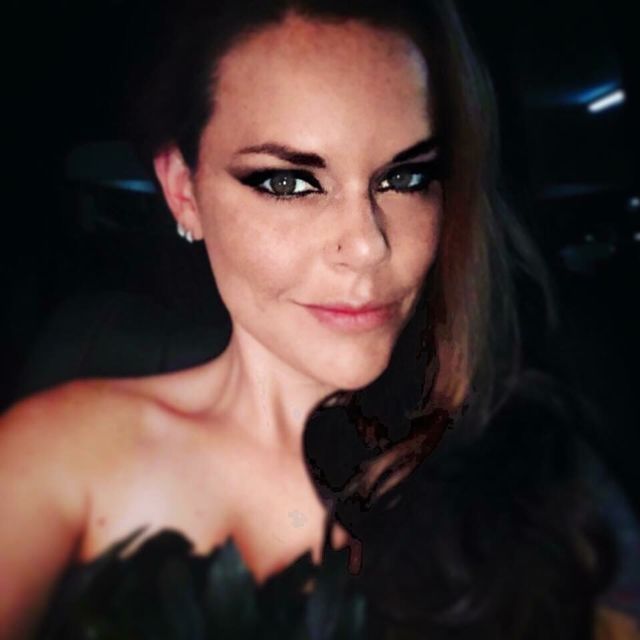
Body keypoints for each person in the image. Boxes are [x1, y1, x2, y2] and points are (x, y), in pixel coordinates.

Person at [1, 0, 638, 638]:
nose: (366, 245)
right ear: (183, 191)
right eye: (288, 183)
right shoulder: (60, 456)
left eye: (405, 177)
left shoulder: (534, 467)